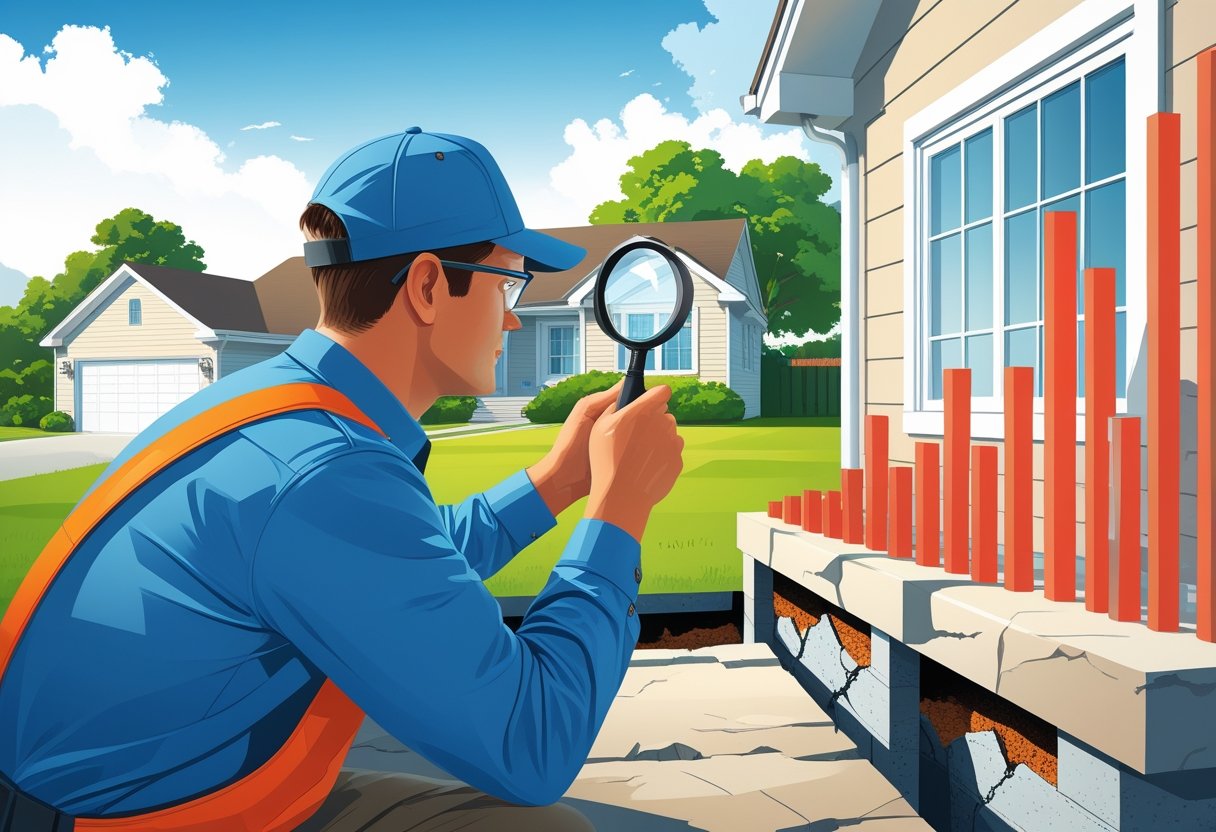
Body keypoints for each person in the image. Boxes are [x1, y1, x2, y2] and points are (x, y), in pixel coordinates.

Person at [0, 127, 684, 831]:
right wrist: (617, 515)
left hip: (143, 787)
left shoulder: (277, 411)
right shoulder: (323, 472)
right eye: (508, 281)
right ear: (425, 285)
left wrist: (556, 482)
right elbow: (533, 744)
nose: (513, 316)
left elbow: (397, 558)